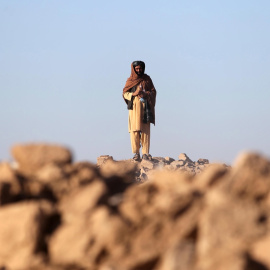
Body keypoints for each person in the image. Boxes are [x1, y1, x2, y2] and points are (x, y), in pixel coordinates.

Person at [123, 61, 157, 161]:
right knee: (134, 131)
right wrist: (134, 94)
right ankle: (136, 153)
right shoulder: (130, 80)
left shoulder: (147, 79)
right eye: (136, 69)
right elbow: (124, 93)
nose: (139, 71)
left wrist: (145, 94)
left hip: (145, 108)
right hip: (134, 110)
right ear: (133, 69)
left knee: (145, 131)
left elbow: (153, 91)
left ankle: (145, 153)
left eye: (140, 69)